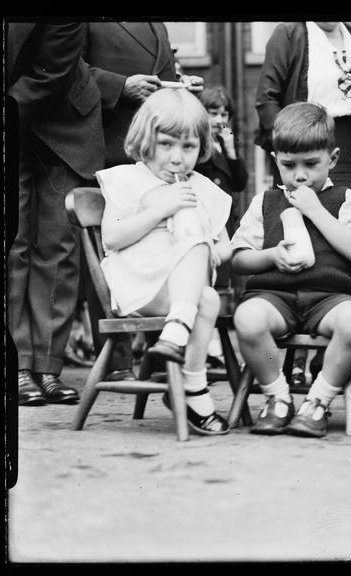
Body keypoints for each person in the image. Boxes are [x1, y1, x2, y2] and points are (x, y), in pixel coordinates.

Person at [95, 88, 232, 436]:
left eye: (188, 147)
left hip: (181, 290)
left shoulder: (202, 187)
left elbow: (226, 247)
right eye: (167, 144)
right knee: (189, 229)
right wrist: (162, 208)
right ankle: (191, 380)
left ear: (202, 147)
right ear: (145, 140)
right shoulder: (127, 179)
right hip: (141, 283)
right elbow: (111, 237)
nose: (177, 158)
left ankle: (191, 380)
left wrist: (206, 252)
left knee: (210, 297)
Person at [254, 21, 351, 387]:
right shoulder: (290, 34)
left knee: (345, 249)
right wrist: (290, 151)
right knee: (301, 241)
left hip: (349, 154)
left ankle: (333, 356)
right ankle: (292, 361)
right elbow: (266, 99)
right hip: (305, 152)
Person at [231, 102, 351, 438]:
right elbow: (238, 259)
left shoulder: (345, 198)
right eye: (288, 165)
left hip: (329, 299)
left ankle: (318, 402)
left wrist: (317, 211)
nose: (299, 175)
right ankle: (278, 396)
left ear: (333, 159)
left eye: (311, 164)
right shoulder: (263, 202)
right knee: (247, 319)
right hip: (274, 296)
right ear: (275, 160)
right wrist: (270, 257)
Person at [82, 21, 205, 379]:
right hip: (115, 142)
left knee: (169, 239)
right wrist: (121, 86)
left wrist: (179, 89)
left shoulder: (157, 25)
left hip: (162, 153)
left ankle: (163, 351)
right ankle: (118, 362)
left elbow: (161, 77)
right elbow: (69, 68)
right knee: (123, 250)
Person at [7, 22, 105, 406]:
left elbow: (52, 71)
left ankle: (46, 366)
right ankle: (16, 366)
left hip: (61, 119)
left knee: (57, 247)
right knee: (11, 245)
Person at [196, 86, 249, 366]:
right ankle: (209, 344)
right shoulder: (199, 145)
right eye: (213, 112)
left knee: (222, 284)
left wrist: (230, 150)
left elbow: (240, 182)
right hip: (207, 219)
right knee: (207, 281)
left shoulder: (222, 144)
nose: (219, 119)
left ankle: (213, 344)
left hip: (225, 220)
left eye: (224, 113)